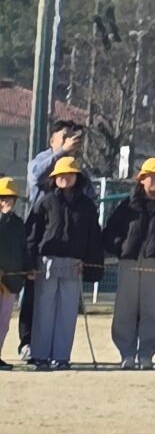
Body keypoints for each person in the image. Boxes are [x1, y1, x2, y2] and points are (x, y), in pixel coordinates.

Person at [101, 157, 155, 369]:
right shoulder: (127, 204)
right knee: (125, 307)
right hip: (129, 261)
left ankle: (147, 352)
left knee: (151, 307)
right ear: (141, 179)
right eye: (151, 177)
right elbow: (110, 232)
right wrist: (121, 247)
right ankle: (126, 353)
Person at [18, 117, 92, 355]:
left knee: (62, 303)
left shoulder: (76, 168)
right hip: (40, 235)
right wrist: (61, 153)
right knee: (33, 295)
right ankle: (28, 342)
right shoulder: (42, 160)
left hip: (68, 243)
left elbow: (89, 197)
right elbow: (37, 176)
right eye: (64, 137)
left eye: (73, 137)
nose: (70, 142)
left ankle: (57, 351)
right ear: (53, 140)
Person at [22, 156, 102, 369]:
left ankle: (61, 356)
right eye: (60, 175)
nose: (64, 178)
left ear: (77, 177)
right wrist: (29, 262)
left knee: (67, 311)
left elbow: (93, 236)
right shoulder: (45, 202)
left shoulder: (87, 206)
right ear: (54, 178)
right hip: (45, 260)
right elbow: (32, 234)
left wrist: (92, 265)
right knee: (44, 308)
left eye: (69, 174)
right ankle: (40, 354)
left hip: (75, 262)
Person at [0, 177, 26, 367]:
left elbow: (23, 249)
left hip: (10, 281)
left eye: (10, 198)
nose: (6, 201)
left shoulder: (18, 224)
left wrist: (28, 268)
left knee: (3, 322)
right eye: (2, 198)